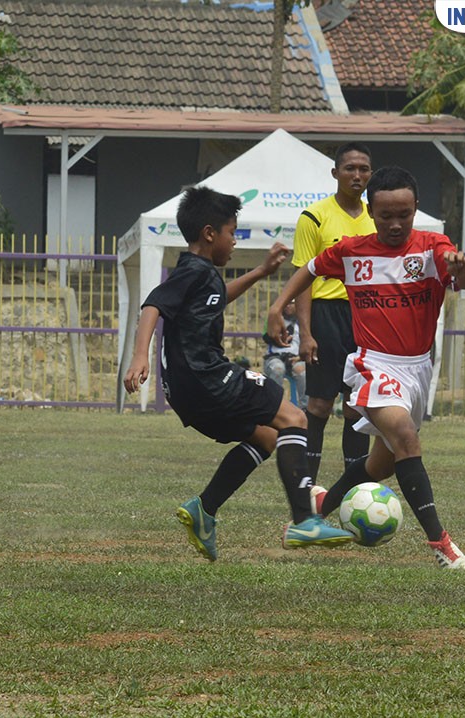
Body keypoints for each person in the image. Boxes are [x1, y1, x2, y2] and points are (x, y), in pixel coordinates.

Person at [123, 185, 352, 561]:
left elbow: (215, 299)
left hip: (189, 394)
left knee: (266, 438)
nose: (234, 241)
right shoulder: (190, 272)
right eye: (233, 232)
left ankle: (205, 509)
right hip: (208, 377)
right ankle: (304, 522)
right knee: (296, 417)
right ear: (210, 234)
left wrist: (261, 271)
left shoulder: (201, 275)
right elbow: (153, 304)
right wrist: (138, 356)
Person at [267, 166, 465, 570]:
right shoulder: (352, 251)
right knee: (405, 438)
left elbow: (464, 279)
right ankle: (441, 545)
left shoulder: (433, 247)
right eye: (386, 216)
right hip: (373, 364)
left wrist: (460, 267)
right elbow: (310, 269)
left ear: (416, 208)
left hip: (417, 370)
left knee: (380, 465)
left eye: (404, 214)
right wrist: (279, 307)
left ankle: (316, 512)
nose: (395, 224)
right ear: (371, 211)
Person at [292, 142, 375, 482]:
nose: (357, 175)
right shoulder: (314, 217)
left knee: (359, 406)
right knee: (320, 405)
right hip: (327, 317)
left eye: (364, 169)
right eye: (350, 168)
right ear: (335, 173)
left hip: (367, 317)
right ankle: (307, 488)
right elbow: (303, 278)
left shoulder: (378, 218)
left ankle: (353, 489)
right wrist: (307, 333)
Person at [261, 299, 306, 407]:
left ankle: (305, 408)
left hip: (296, 358)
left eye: (291, 303)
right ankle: (274, 406)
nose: (288, 306)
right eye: (286, 304)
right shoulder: (274, 319)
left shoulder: (303, 321)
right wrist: (279, 338)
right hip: (274, 357)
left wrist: (300, 357)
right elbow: (266, 337)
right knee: (277, 369)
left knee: (302, 372)